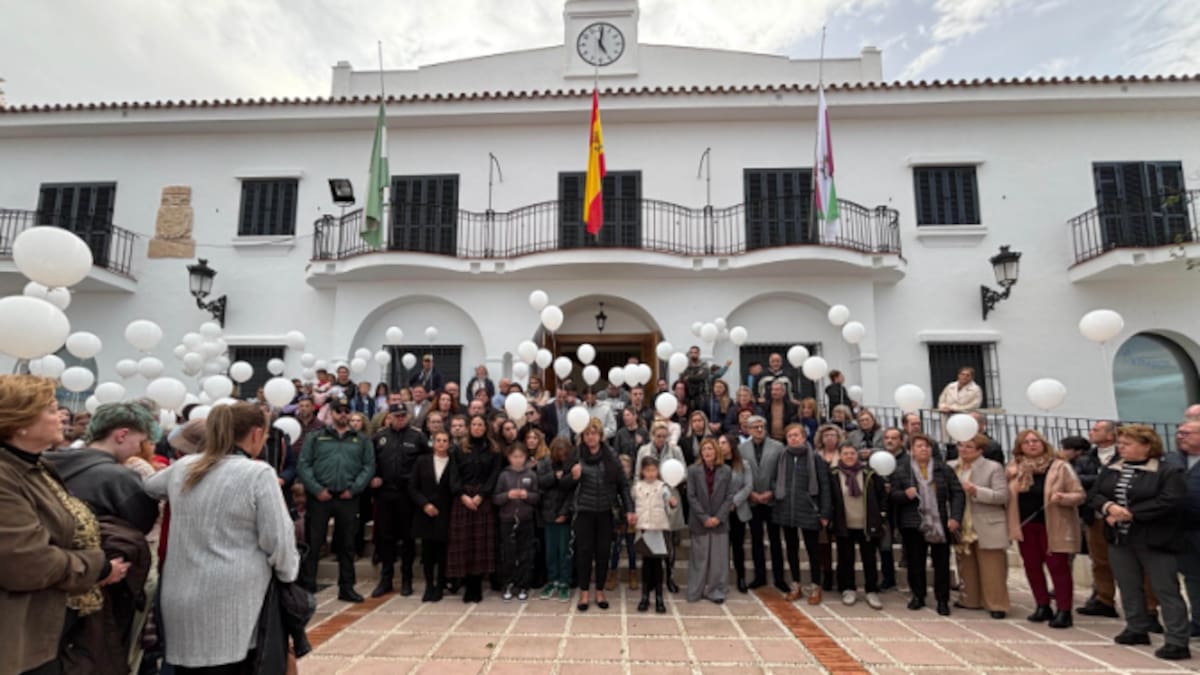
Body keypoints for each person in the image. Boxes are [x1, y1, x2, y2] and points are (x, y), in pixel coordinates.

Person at [144, 402, 300, 674]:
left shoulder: (184, 467)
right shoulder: (257, 473)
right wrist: (288, 576)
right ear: (255, 433)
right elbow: (279, 541)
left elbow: (150, 486)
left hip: (180, 595)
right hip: (234, 602)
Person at [0, 375, 126, 675]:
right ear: (20, 423)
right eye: (51, 409)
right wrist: (97, 566)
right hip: (18, 637)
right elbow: (27, 563)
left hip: (47, 628)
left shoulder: (37, 466)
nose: (61, 417)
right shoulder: (6, 476)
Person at [1089, 424, 1191, 660]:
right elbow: (1095, 494)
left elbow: (1171, 500)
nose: (1121, 448)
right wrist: (1109, 508)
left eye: (1127, 444)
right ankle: (1136, 628)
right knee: (1128, 584)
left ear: (1146, 446)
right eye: (1120, 443)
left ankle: (1177, 640)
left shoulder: (1167, 471)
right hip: (1119, 537)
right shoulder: (1113, 468)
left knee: (1165, 589)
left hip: (1155, 539)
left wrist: (1132, 512)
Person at [296, 400, 375, 601]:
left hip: (347, 498)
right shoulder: (316, 437)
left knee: (347, 545)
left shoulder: (361, 440)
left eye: (346, 411)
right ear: (331, 413)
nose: (342, 414)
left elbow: (368, 467)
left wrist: (355, 489)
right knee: (314, 544)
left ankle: (347, 588)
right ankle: (308, 586)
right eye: (338, 411)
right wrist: (316, 489)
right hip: (320, 497)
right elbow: (304, 465)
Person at [1006, 429, 1085, 628]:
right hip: (1025, 525)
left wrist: (1063, 498)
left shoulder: (1060, 467)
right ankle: (1042, 605)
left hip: (1053, 525)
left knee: (1058, 567)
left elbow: (1079, 495)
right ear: (1020, 447)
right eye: (1026, 442)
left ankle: (1064, 610)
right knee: (1032, 567)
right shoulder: (1015, 468)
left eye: (1036, 441)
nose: (1032, 445)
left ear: (1043, 444)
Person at [44, 402, 161, 534]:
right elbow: (142, 525)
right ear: (121, 435)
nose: (139, 448)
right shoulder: (121, 479)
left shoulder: (46, 461)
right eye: (140, 441)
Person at [564, 418, 635, 611]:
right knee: (584, 553)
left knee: (603, 552)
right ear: (583, 436)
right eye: (587, 434)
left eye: (594, 433)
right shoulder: (577, 454)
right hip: (584, 512)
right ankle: (585, 593)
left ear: (600, 435)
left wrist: (629, 509)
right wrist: (573, 477)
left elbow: (623, 485)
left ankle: (600, 591)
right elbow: (564, 483)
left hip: (606, 511)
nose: (590, 437)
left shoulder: (611, 455)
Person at [890, 433, 964, 615]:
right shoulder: (902, 470)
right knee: (916, 562)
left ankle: (942, 600)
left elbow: (958, 493)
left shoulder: (943, 469)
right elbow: (892, 496)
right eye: (919, 446)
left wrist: (955, 517)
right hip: (913, 522)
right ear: (911, 450)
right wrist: (904, 495)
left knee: (941, 563)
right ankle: (918, 595)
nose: (924, 449)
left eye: (927, 446)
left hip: (941, 522)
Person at [369, 403, 429, 598]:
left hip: (407, 495)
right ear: (390, 416)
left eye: (404, 415)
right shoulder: (379, 437)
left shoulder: (418, 437)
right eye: (397, 415)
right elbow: (372, 462)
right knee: (386, 538)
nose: (400, 418)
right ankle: (386, 580)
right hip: (385, 494)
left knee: (407, 539)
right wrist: (374, 476)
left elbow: (425, 464)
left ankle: (406, 580)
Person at [952, 434, 1010, 619]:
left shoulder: (993, 467)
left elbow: (1002, 496)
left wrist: (977, 491)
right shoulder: (952, 467)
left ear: (980, 450)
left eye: (969, 446)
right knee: (965, 564)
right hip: (963, 522)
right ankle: (969, 600)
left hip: (987, 522)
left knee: (992, 567)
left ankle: (996, 604)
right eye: (961, 445)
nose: (963, 449)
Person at [773, 424, 832, 603]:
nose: (793, 438)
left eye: (796, 435)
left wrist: (825, 513)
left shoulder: (815, 459)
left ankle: (815, 586)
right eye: (789, 435)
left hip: (809, 510)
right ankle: (796, 585)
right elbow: (775, 480)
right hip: (786, 510)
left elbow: (825, 487)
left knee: (813, 550)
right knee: (791, 550)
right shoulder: (782, 457)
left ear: (804, 437)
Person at [446, 414, 501, 603]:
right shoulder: (458, 449)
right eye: (474, 424)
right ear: (470, 427)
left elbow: (494, 476)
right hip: (462, 499)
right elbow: (453, 475)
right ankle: (467, 584)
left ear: (486, 427)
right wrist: (462, 495)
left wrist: (481, 496)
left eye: (481, 424)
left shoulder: (493, 450)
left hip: (482, 500)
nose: (477, 427)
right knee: (464, 544)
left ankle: (476, 586)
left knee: (480, 545)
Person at [829, 441, 886, 610]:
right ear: (840, 455)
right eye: (845, 453)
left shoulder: (869, 473)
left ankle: (871, 590)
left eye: (852, 453)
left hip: (867, 523)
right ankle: (848, 588)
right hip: (844, 523)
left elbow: (882, 495)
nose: (849, 457)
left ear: (858, 455)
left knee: (869, 558)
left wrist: (882, 514)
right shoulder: (833, 474)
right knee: (845, 559)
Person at [1077, 419, 1123, 618]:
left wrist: (1098, 478)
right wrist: (1104, 477)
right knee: (1099, 560)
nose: (1091, 432)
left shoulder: (1124, 455)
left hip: (1121, 514)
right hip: (1094, 515)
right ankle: (1104, 600)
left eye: (1096, 429)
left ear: (1111, 435)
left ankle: (1148, 608)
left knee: (1132, 563)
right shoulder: (1086, 458)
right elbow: (1077, 478)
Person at [636, 421, 688, 592]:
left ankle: (669, 578)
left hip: (670, 498)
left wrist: (667, 481)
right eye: (658, 436)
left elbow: (684, 473)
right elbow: (637, 475)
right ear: (652, 435)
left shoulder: (675, 450)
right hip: (650, 502)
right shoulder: (643, 450)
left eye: (664, 436)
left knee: (670, 543)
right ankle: (651, 580)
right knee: (651, 543)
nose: (661, 439)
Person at [409, 429, 457, 602]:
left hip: (446, 512)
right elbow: (413, 487)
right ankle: (429, 585)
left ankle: (440, 585)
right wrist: (425, 504)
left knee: (443, 552)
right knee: (427, 552)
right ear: (433, 442)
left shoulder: (454, 462)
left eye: (445, 440)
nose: (442, 443)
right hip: (426, 512)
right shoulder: (422, 461)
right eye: (438, 440)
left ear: (449, 443)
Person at [740, 415, 786, 592]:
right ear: (748, 430)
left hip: (772, 500)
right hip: (752, 500)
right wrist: (750, 493)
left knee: (775, 541)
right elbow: (740, 473)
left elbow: (781, 473)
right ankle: (760, 577)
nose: (759, 430)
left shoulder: (778, 447)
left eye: (762, 426)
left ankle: (779, 578)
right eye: (755, 427)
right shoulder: (741, 448)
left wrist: (772, 492)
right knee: (756, 540)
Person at [687, 438, 733, 604]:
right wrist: (705, 518)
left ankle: (716, 591)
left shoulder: (726, 470)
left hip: (719, 521)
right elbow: (691, 496)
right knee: (699, 559)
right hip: (700, 520)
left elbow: (729, 496)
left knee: (718, 560)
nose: (707, 452)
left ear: (716, 452)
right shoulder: (693, 470)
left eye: (710, 449)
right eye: (704, 449)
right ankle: (696, 590)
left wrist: (718, 518)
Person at [1165, 419, 1200, 638]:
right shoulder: (1171, 459)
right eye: (1179, 433)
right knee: (1192, 577)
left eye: (1187, 433)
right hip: (1182, 529)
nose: (1180, 436)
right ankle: (1198, 620)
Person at [493, 444, 539, 602]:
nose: (518, 460)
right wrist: (507, 495)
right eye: (514, 457)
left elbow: (537, 497)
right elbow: (496, 498)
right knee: (508, 554)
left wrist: (528, 495)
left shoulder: (531, 475)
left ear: (525, 457)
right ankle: (507, 584)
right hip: (507, 520)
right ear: (509, 458)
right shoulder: (503, 475)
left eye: (521, 456)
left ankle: (523, 585)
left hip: (526, 520)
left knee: (525, 554)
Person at [632, 455, 676, 613]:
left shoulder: (662, 486)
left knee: (657, 564)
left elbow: (667, 498)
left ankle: (659, 596)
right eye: (647, 470)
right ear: (642, 471)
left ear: (657, 471)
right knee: (646, 564)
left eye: (653, 470)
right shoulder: (637, 486)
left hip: (658, 529)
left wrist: (671, 501)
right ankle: (644, 596)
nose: (650, 473)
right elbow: (632, 503)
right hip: (644, 528)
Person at [537, 437, 574, 602]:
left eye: (565, 454)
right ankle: (552, 581)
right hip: (547, 514)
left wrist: (564, 512)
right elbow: (540, 483)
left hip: (564, 515)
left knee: (564, 551)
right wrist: (554, 476)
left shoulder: (571, 465)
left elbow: (572, 491)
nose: (562, 457)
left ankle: (564, 582)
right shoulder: (544, 463)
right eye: (559, 454)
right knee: (550, 551)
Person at [721, 433, 753, 593]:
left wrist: (734, 502)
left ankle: (741, 577)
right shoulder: (716, 464)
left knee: (738, 546)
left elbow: (748, 486)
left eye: (723, 443)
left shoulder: (743, 464)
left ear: (731, 445)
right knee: (722, 547)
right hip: (721, 511)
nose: (720, 445)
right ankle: (722, 580)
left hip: (738, 510)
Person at [877, 427, 905, 590]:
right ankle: (888, 578)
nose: (889, 441)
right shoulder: (879, 458)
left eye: (894, 438)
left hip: (904, 506)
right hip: (884, 507)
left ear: (901, 441)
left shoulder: (907, 460)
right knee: (885, 544)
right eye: (887, 437)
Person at [607, 454, 638, 592]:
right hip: (617, 520)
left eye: (626, 466)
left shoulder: (635, 485)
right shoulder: (612, 484)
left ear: (631, 469)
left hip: (631, 521)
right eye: (621, 466)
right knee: (616, 549)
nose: (623, 469)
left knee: (632, 549)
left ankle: (633, 573)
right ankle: (612, 574)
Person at [681, 345, 730, 412]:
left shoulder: (704, 365)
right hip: (689, 397)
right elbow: (683, 378)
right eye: (691, 353)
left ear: (699, 354)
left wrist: (689, 377)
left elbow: (702, 376)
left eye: (695, 352)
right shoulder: (685, 367)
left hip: (703, 396)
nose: (693, 354)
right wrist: (696, 376)